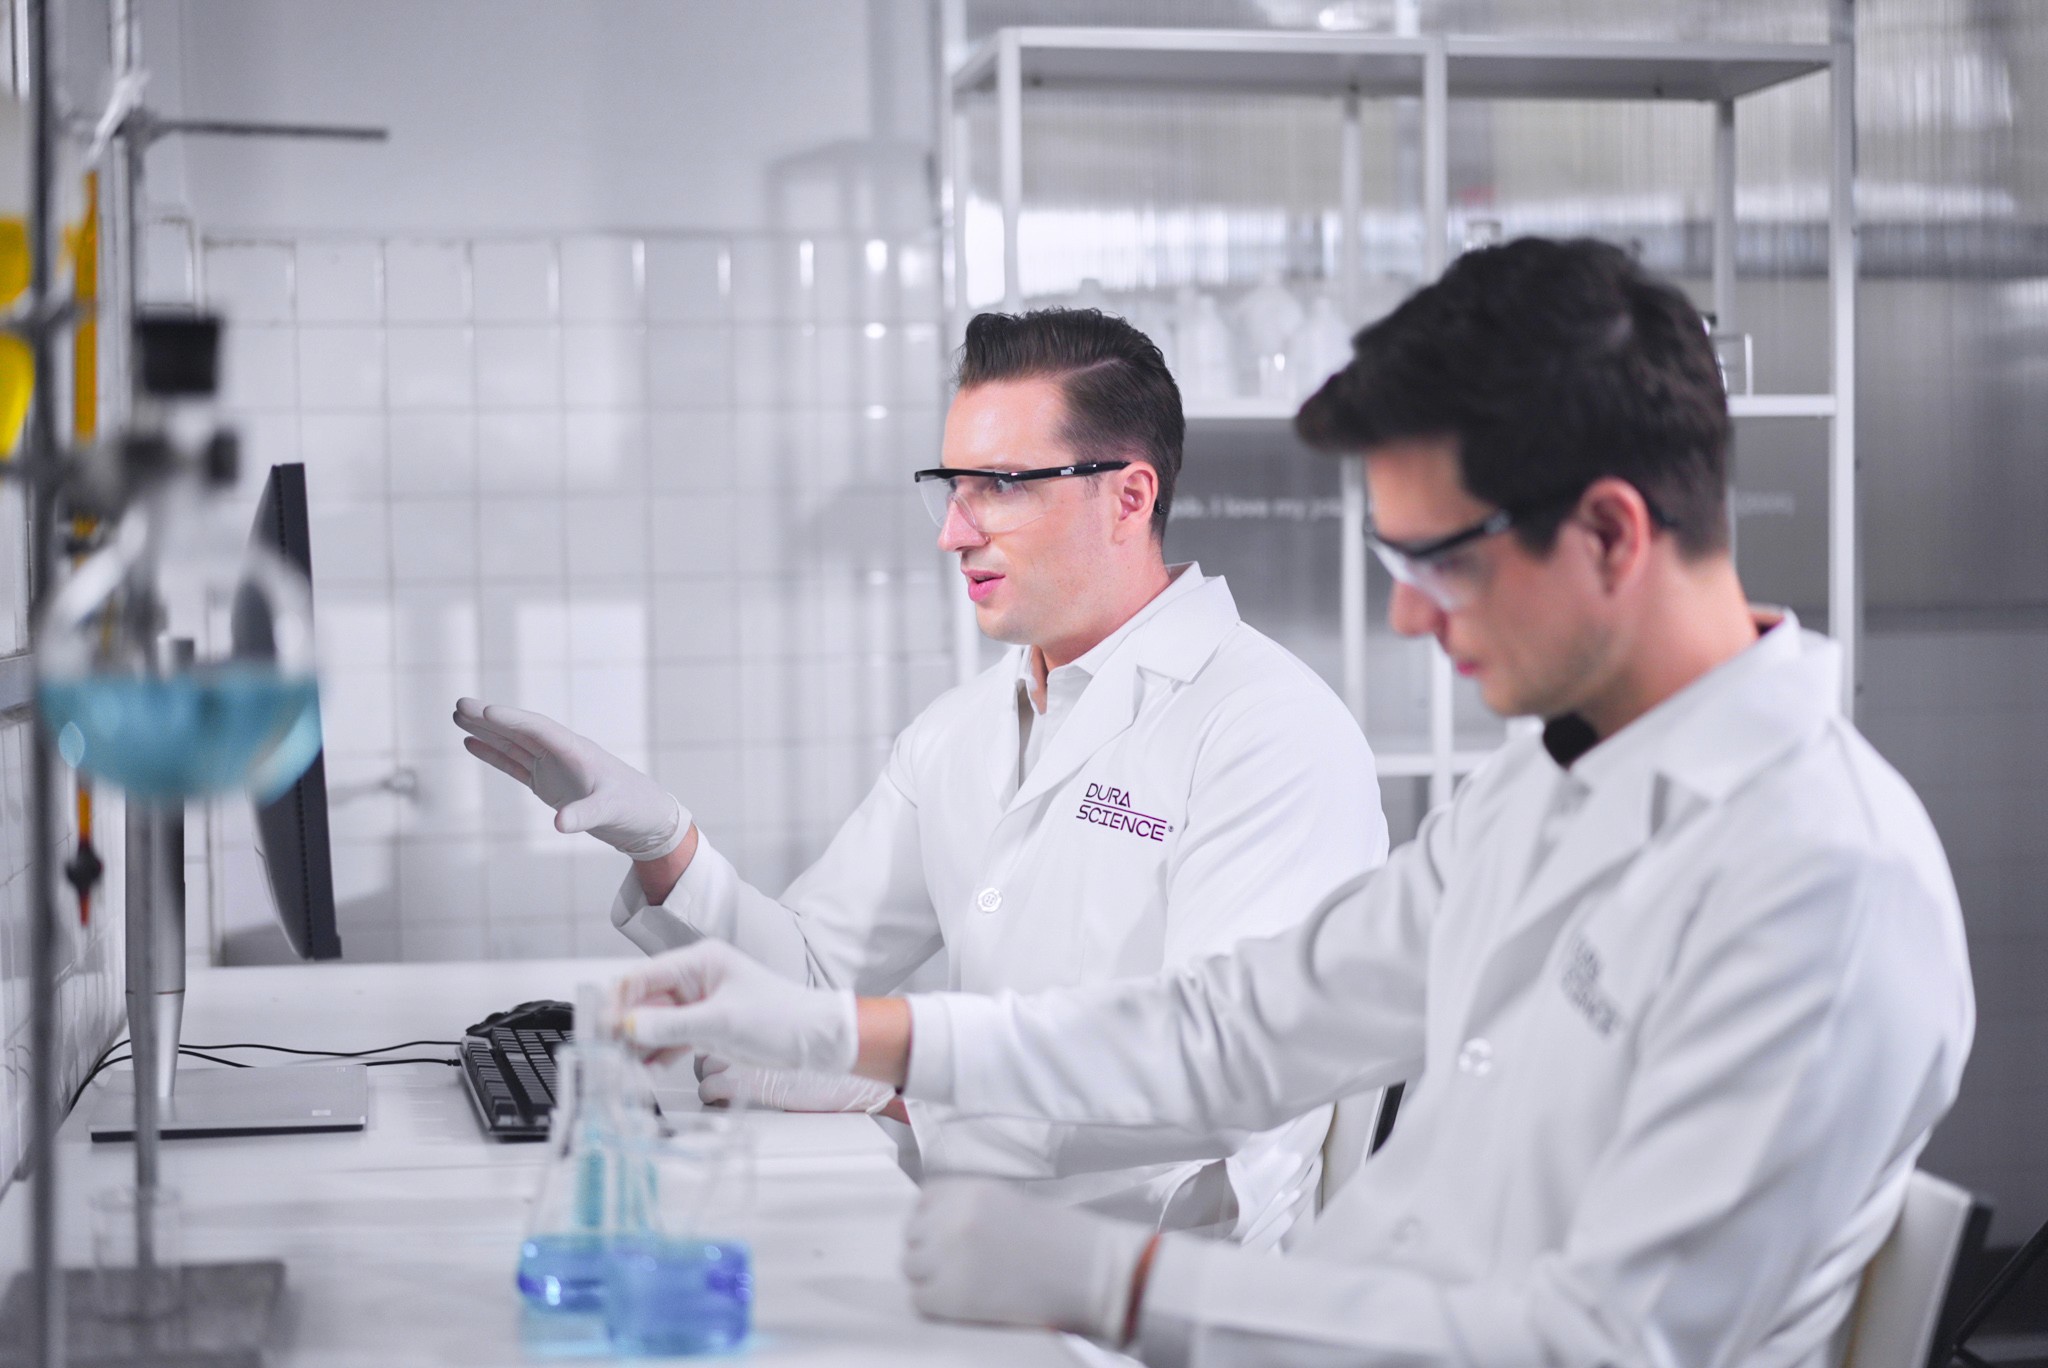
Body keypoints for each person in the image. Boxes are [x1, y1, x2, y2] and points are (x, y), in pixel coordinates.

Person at [606, 239, 1976, 1367]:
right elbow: (1236, 1028)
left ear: (1612, 533)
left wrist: (1129, 1288)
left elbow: (1594, 1344)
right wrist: (848, 1030)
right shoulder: (1547, 790)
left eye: (1437, 558)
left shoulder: (1825, 885)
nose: (1399, 609)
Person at [456, 307, 1389, 1245]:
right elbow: (819, 983)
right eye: (951, 485)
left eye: (1000, 486)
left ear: (1129, 497)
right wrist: (666, 846)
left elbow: (1226, 1069)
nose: (953, 531)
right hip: (974, 1246)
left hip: (1166, 1300)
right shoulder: (962, 729)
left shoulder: (1269, 732)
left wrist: (906, 1094)